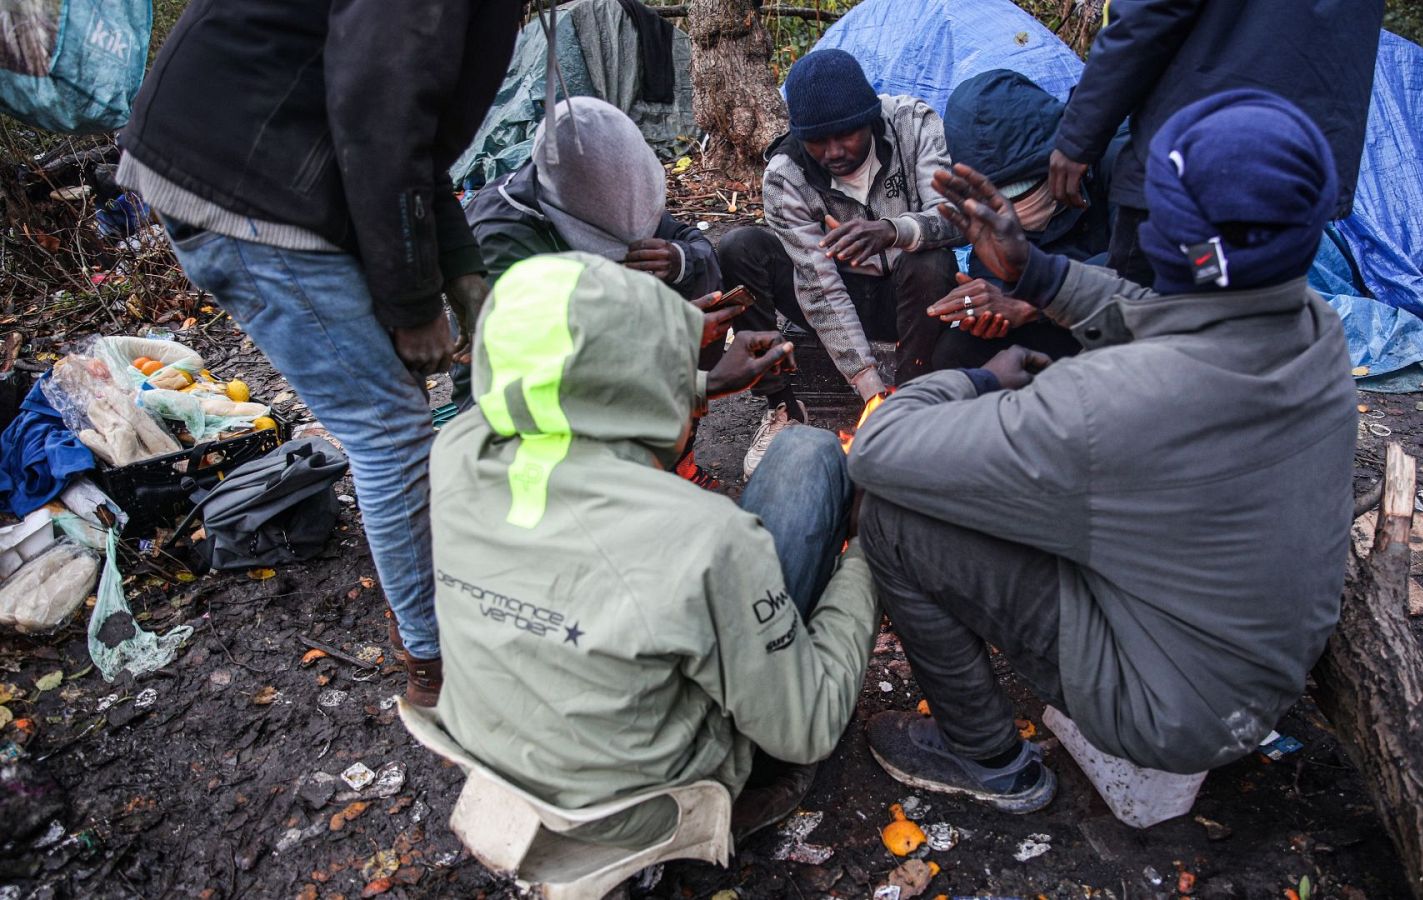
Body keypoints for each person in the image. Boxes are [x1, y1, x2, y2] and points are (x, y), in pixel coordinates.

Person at [848, 92, 1357, 812]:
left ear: (1164, 234)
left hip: (1170, 713)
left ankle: (986, 757)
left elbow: (878, 448)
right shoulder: (1313, 324)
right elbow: (1168, 312)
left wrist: (976, 379)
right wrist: (1040, 274)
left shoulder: (1109, 403)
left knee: (894, 522)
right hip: (1259, 673)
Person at [116, 0, 521, 706]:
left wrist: (463, 271)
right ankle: (438, 667)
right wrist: (413, 304)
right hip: (250, 182)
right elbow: (380, 117)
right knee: (389, 427)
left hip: (263, 168)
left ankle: (441, 591)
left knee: (392, 407)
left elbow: (410, 135)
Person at [430, 252, 880, 848]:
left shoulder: (456, 449)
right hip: (641, 806)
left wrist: (700, 384)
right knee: (808, 452)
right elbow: (813, 724)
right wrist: (869, 552)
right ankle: (755, 783)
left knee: (796, 452)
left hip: (493, 760)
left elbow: (550, 393)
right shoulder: (706, 537)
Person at [462, 97, 802, 487]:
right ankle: (626, 478)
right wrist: (667, 341)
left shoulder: (611, 180)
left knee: (697, 275)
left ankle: (670, 455)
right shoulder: (501, 237)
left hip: (617, 371)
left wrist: (678, 260)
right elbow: (535, 370)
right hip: (522, 418)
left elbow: (693, 243)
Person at [718, 48, 963, 478]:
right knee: (741, 246)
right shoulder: (785, 174)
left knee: (930, 261)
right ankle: (784, 407)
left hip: (911, 296)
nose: (833, 152)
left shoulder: (912, 124)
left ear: (869, 117)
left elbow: (953, 218)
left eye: (846, 134)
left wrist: (893, 230)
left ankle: (909, 404)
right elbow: (818, 286)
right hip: (841, 294)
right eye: (818, 140)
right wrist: (869, 388)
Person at [1047, 0, 1385, 285]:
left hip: (1197, 169)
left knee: (1143, 320)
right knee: (1234, 316)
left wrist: (1079, 136)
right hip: (1294, 172)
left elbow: (1146, 17)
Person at [925, 69, 1125, 371]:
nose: (1010, 209)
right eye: (995, 196)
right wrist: (987, 307)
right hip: (1057, 322)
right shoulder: (985, 207)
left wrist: (1032, 304)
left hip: (1133, 322)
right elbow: (998, 279)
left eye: (1021, 189)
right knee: (958, 353)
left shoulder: (1122, 157)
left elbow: (1138, 268)